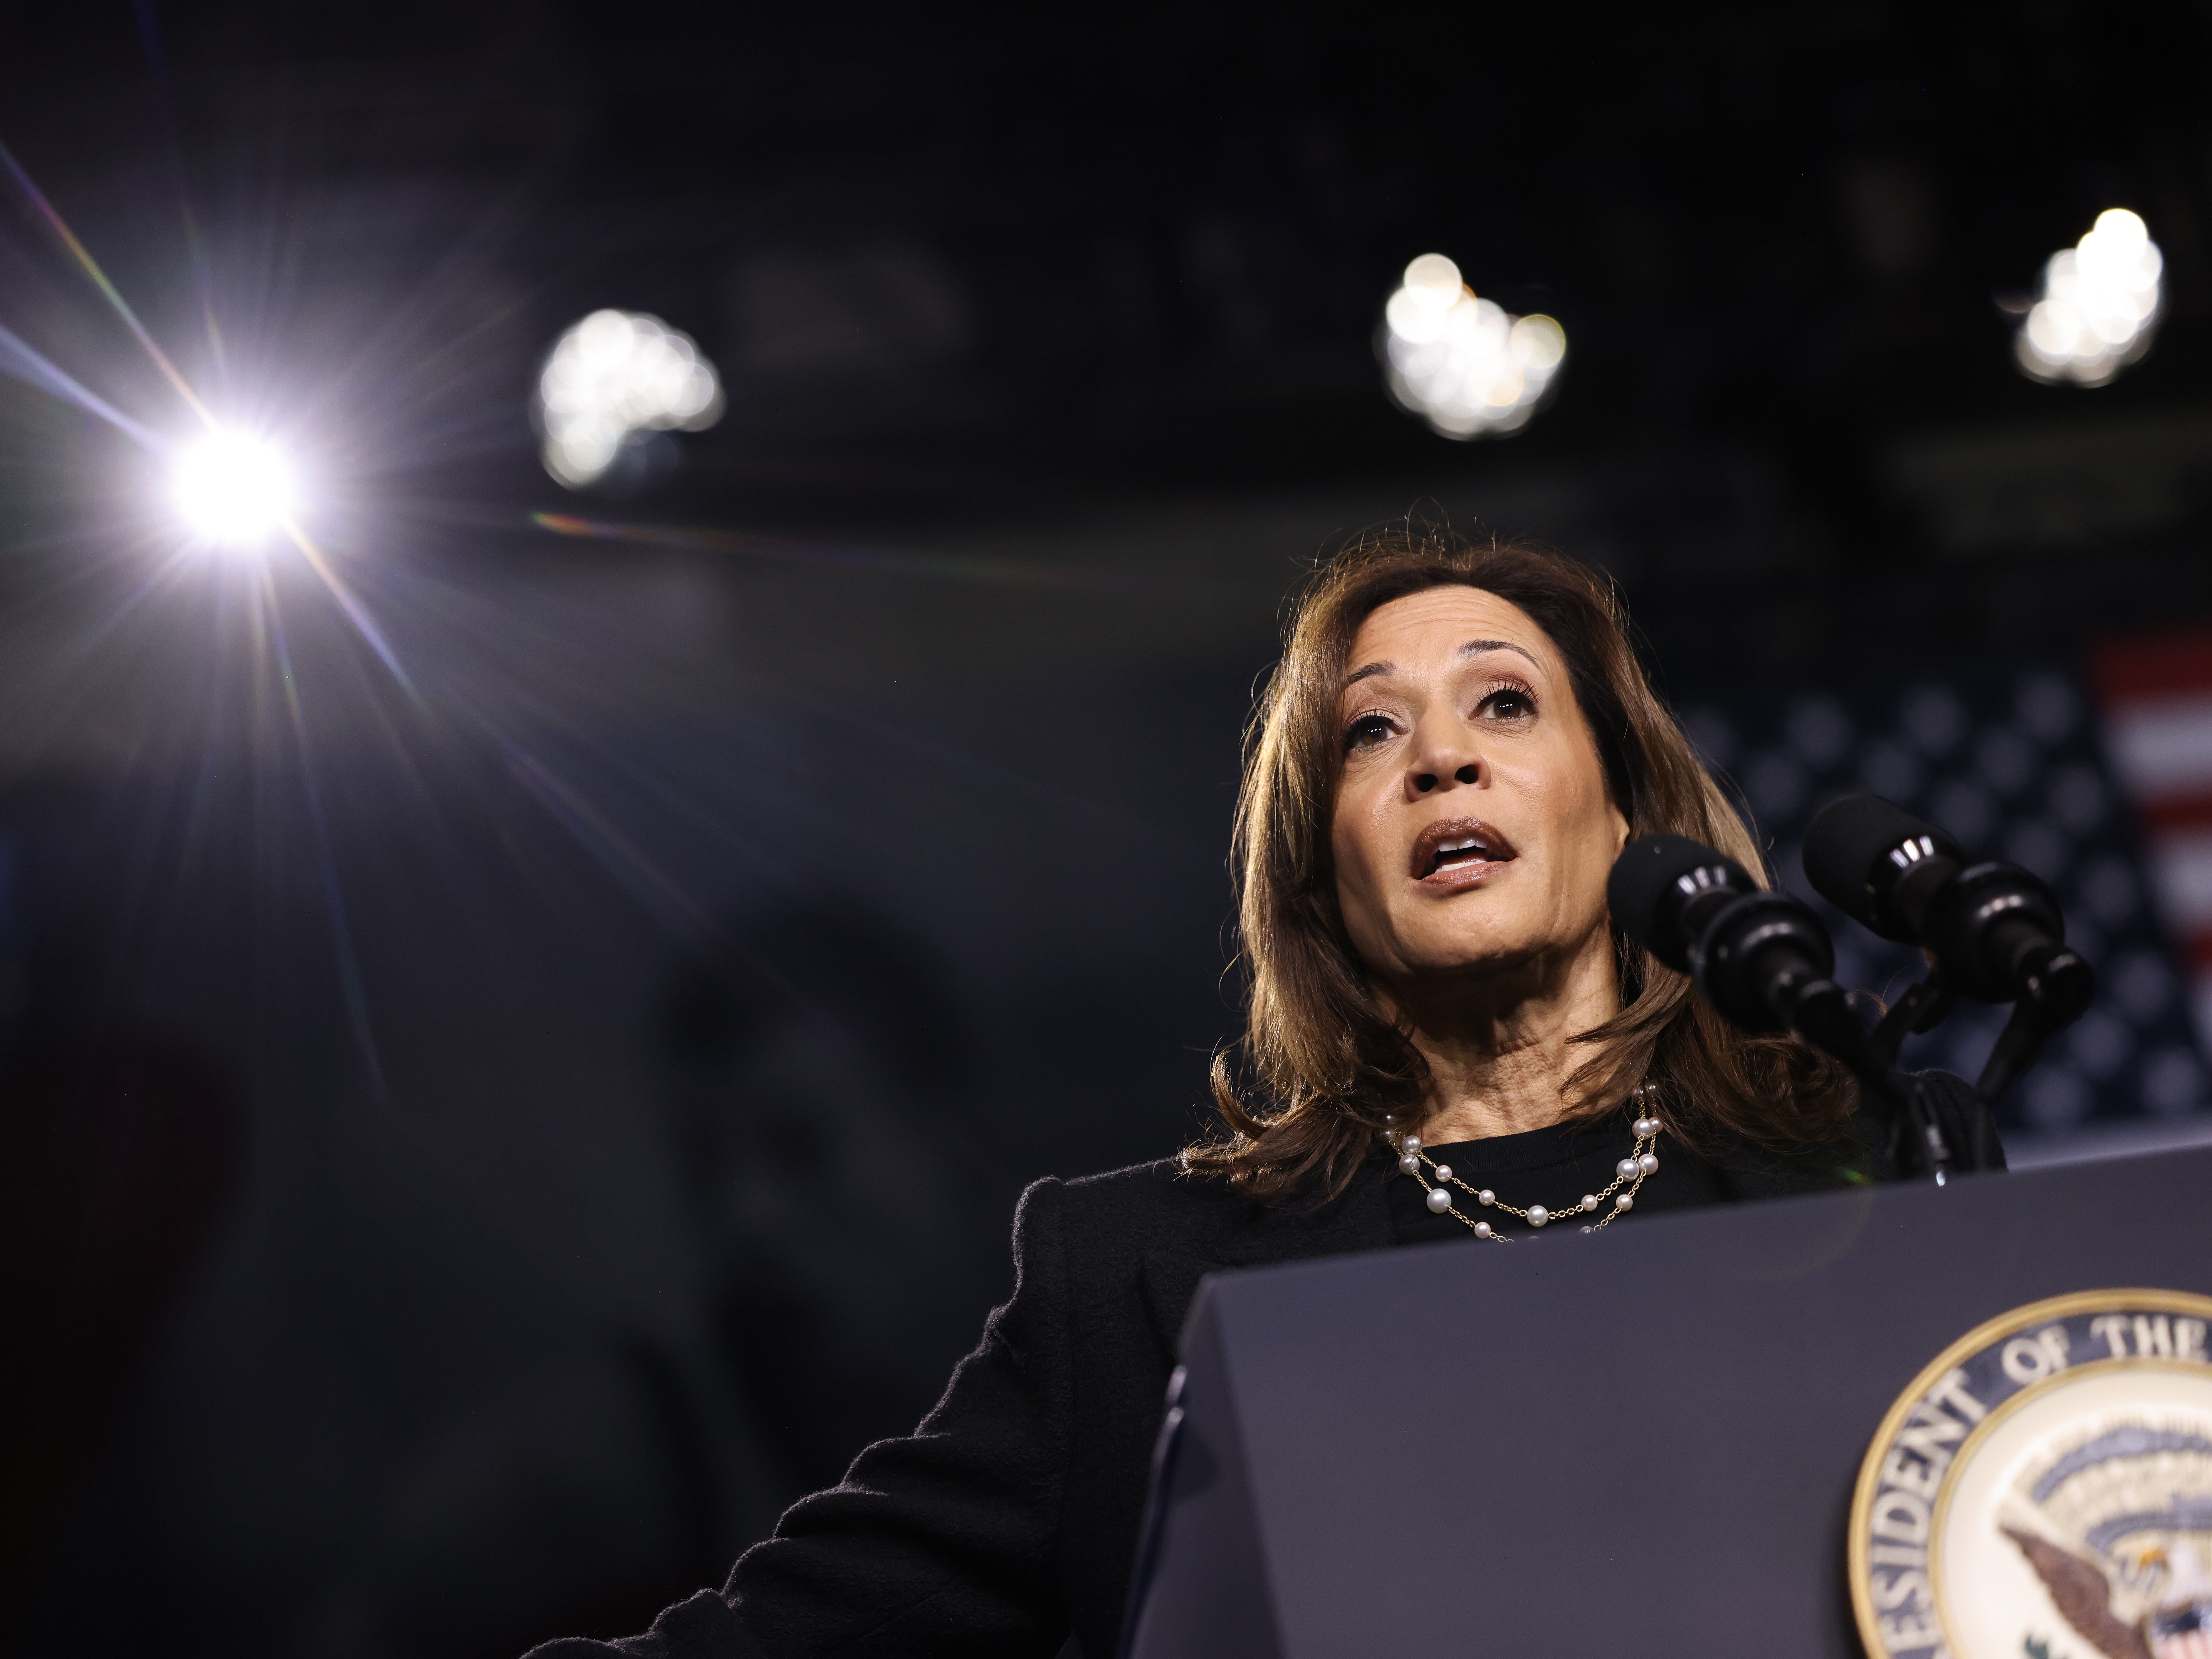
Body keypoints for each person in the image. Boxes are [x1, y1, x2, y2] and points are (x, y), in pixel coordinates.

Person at [528, 528, 2001, 1659]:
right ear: (1323, 877)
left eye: (1504, 704)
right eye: (1374, 732)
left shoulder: (1864, 1175)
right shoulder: (1144, 1289)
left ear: (1621, 814)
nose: (1440, 758)